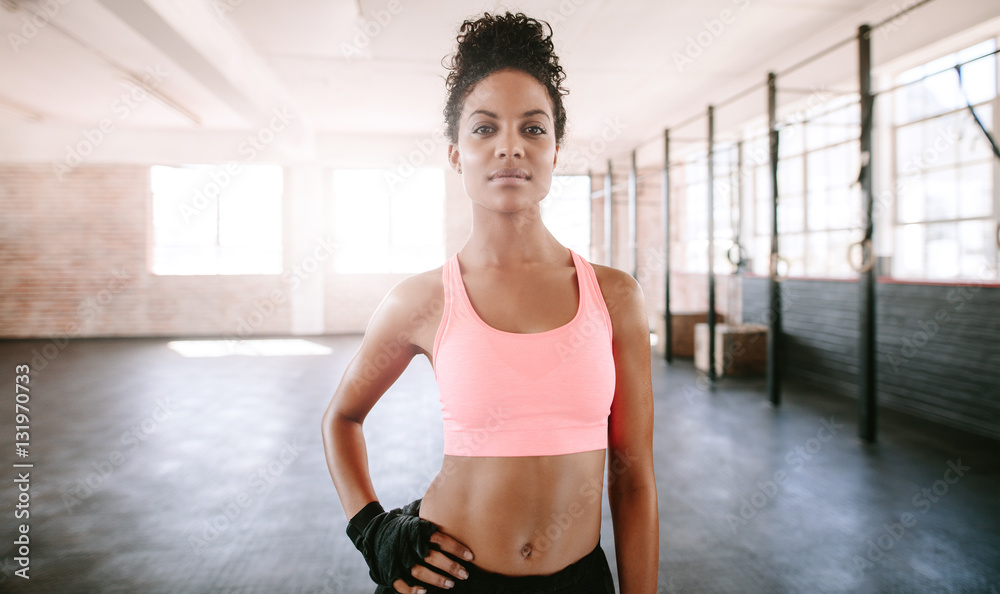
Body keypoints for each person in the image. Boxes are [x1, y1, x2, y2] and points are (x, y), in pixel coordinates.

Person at [321, 11, 658, 594]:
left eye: (533, 128)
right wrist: (371, 529)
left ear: (556, 148)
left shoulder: (615, 296)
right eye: (484, 129)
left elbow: (632, 477)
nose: (510, 147)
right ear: (456, 154)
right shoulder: (421, 300)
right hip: (445, 581)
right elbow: (342, 418)